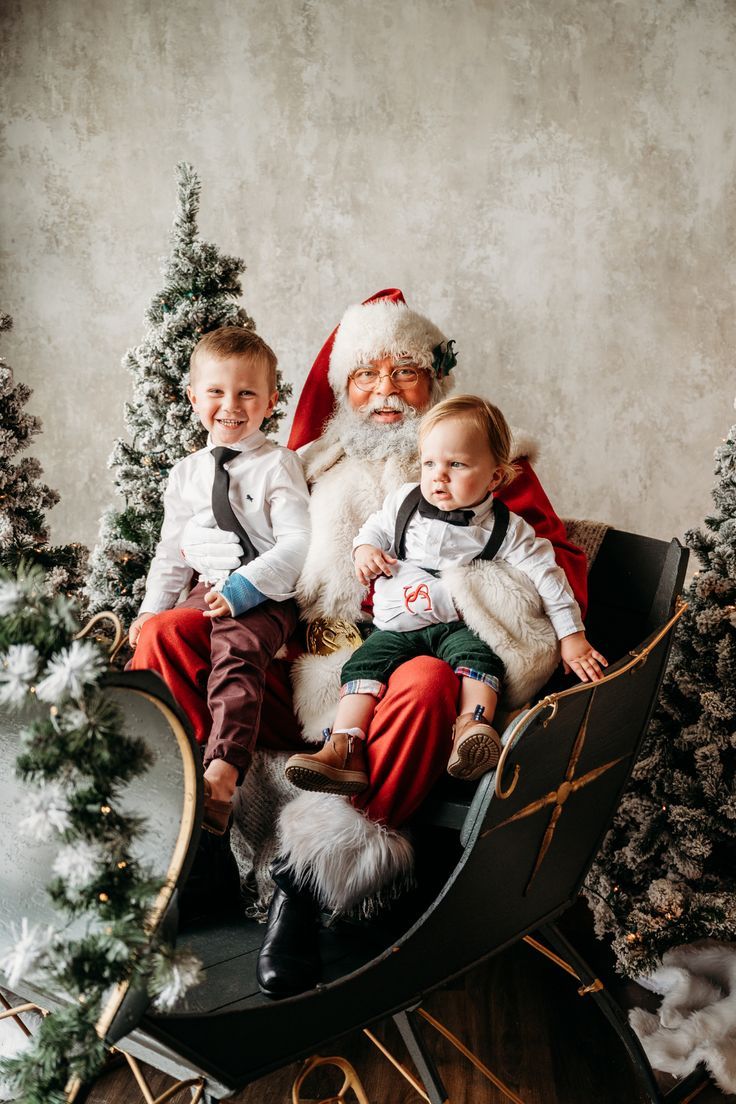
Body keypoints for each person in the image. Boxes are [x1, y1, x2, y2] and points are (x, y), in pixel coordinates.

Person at [146, 288, 589, 997]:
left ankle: (303, 884)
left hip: (402, 681)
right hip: (297, 668)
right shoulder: (310, 464)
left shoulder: (476, 465)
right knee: (170, 635)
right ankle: (193, 860)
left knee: (425, 683)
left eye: (404, 372)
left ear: (435, 381)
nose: (384, 392)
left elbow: (549, 575)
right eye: (365, 375)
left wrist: (448, 587)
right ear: (342, 390)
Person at [284, 395, 606, 797]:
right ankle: (344, 746)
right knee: (364, 664)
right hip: (398, 625)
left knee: (479, 656)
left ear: (495, 478)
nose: (438, 476)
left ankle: (472, 728)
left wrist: (571, 636)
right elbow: (373, 530)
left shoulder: (507, 529)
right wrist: (364, 551)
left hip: (457, 625)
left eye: (456, 465)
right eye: (429, 463)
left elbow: (550, 579)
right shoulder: (404, 502)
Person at [128, 326, 311, 839]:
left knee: (236, 651)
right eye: (216, 391)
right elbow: (171, 552)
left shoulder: (279, 463)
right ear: (193, 397)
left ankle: (223, 773)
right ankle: (153, 765)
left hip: (264, 593)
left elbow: (296, 544)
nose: (230, 405)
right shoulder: (186, 473)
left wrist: (244, 592)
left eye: (247, 392)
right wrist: (150, 608)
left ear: (271, 401)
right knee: (161, 634)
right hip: (205, 586)